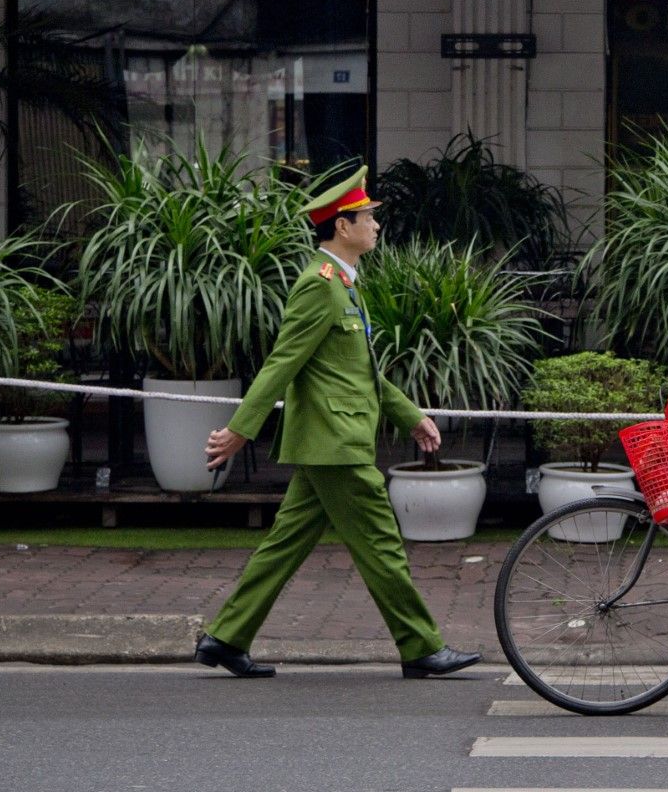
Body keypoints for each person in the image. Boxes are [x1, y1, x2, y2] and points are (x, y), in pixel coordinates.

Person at [196, 168, 480, 680]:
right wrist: (241, 429)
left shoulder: (345, 285)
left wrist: (410, 415)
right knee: (382, 546)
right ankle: (420, 647)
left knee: (285, 545)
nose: (375, 225)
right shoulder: (320, 287)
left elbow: (360, 372)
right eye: (368, 217)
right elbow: (282, 364)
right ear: (342, 226)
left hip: (328, 442)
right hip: (336, 444)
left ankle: (225, 637)